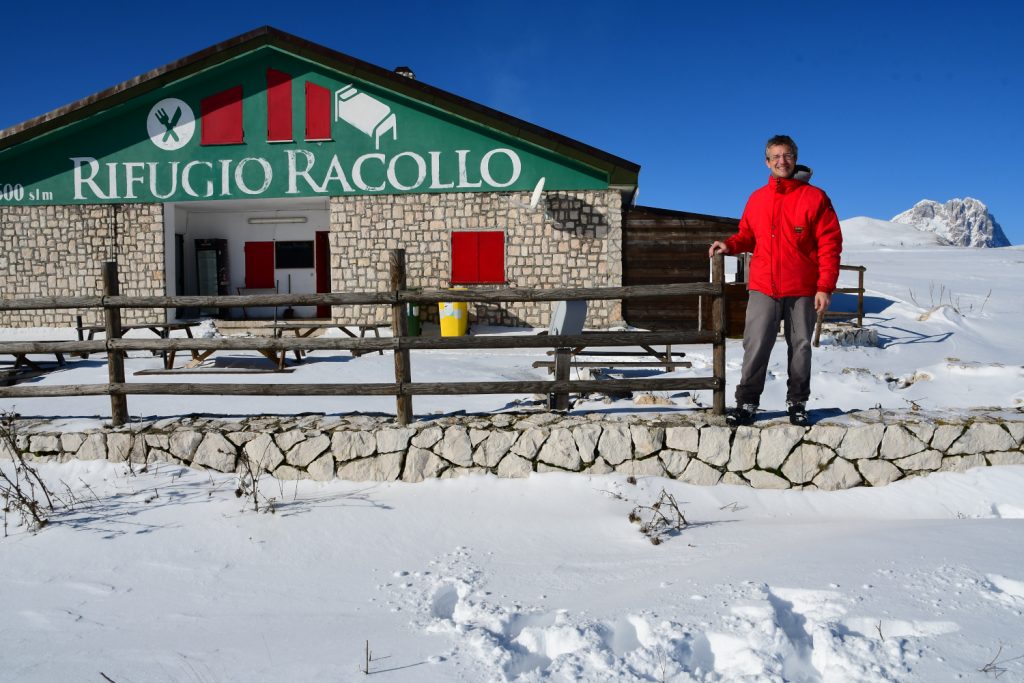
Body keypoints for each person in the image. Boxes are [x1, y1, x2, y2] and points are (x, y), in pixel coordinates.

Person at [709, 135, 842, 427]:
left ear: (795, 158)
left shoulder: (816, 197)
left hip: (802, 288)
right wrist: (729, 245)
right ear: (767, 162)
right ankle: (746, 402)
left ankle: (798, 402)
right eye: (776, 157)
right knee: (755, 344)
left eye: (787, 155)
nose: (782, 161)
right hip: (764, 286)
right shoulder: (757, 198)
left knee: (801, 346)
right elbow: (747, 234)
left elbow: (830, 244)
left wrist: (824, 286)